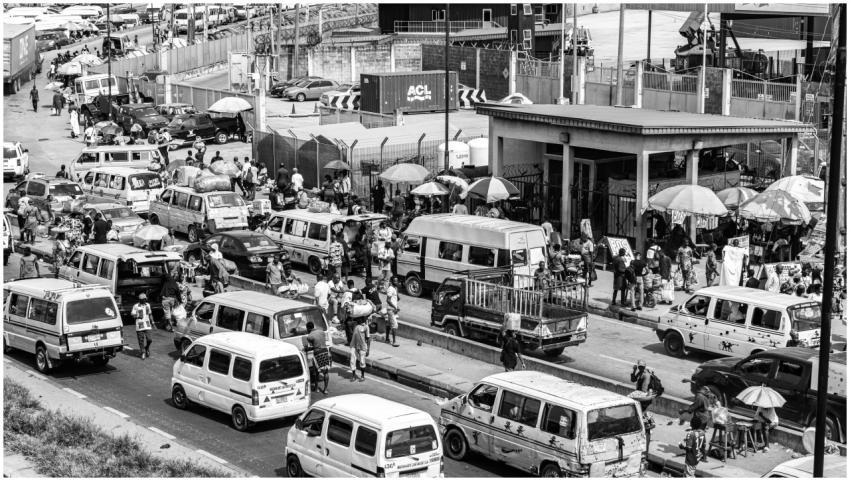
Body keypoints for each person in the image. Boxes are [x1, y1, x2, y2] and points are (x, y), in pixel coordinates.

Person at [302, 321, 330, 393]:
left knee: (316, 372)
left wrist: (306, 349)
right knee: (326, 372)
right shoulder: (321, 332)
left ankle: (317, 388)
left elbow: (313, 347)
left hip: (317, 354)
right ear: (313, 326)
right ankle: (325, 389)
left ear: (308, 328)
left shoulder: (309, 336)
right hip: (325, 352)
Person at [132, 293, 154, 359]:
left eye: (144, 299)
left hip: (147, 324)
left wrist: (153, 322)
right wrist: (138, 316)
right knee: (141, 340)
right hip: (140, 325)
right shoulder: (136, 306)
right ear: (140, 300)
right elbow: (133, 315)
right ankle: (143, 352)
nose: (143, 300)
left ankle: (146, 348)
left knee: (149, 339)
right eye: (141, 299)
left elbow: (150, 314)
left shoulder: (148, 305)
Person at [349, 316, 370, 382]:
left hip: (362, 346)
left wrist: (368, 349)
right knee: (352, 361)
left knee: (362, 361)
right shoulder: (356, 326)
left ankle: (362, 376)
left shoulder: (366, 327)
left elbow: (368, 338)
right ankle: (353, 376)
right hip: (354, 345)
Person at [385, 277, 400, 346]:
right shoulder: (390, 289)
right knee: (394, 325)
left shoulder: (394, 288)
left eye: (397, 281)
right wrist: (394, 307)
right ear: (391, 281)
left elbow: (397, 299)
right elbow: (388, 300)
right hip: (391, 310)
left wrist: (397, 306)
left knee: (388, 324)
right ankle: (394, 342)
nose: (396, 282)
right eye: (395, 281)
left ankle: (387, 339)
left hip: (392, 309)